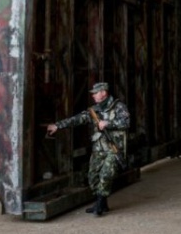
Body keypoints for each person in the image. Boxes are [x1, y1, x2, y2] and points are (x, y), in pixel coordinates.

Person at [46, 82, 130, 217]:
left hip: (113, 149)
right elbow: (78, 119)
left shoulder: (118, 106)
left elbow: (126, 123)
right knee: (93, 177)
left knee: (106, 175)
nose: (93, 96)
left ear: (103, 93)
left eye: (95, 93)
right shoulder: (94, 110)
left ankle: (99, 205)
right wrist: (58, 126)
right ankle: (103, 204)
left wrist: (108, 123)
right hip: (99, 149)